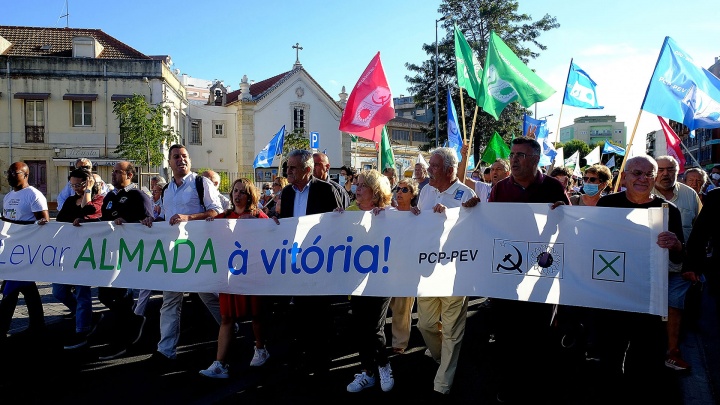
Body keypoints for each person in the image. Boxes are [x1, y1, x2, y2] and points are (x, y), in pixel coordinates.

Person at [484, 137, 570, 403]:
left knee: (538, 331)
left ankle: (537, 384)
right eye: (512, 154)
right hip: (508, 271)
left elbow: (570, 224)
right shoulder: (499, 189)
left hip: (542, 271)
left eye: (520, 155)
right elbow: (489, 223)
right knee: (507, 333)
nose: (514, 159)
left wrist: (565, 213)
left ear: (535, 159)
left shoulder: (554, 187)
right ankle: (509, 383)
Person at [595, 156, 684, 376]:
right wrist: (560, 213)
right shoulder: (607, 204)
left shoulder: (668, 210)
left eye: (649, 174)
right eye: (637, 173)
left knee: (645, 360)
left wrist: (676, 245)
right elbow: (589, 241)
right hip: (612, 295)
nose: (643, 179)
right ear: (624, 177)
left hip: (650, 297)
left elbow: (680, 258)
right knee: (610, 356)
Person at [141, 144, 223, 365]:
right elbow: (168, 219)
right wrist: (152, 221)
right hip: (174, 254)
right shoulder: (167, 190)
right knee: (170, 301)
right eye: (176, 157)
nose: (181, 160)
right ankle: (165, 350)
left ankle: (230, 329)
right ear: (169, 162)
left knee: (208, 296)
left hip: (198, 252)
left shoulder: (200, 183)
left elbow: (217, 211)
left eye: (184, 156)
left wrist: (189, 218)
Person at [409, 147, 476, 396]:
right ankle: (441, 356)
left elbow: (473, 232)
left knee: (452, 330)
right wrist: (415, 214)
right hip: (428, 271)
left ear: (449, 170)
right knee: (425, 325)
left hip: (454, 273)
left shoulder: (466, 194)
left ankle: (443, 382)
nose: (429, 170)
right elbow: (420, 225)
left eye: (434, 166)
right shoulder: (426, 190)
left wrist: (450, 218)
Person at [276, 149, 347, 376]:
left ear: (307, 170)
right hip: (295, 261)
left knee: (319, 313)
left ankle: (321, 361)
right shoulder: (286, 193)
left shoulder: (326, 190)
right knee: (298, 313)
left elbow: (337, 226)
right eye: (288, 167)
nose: (288, 171)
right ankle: (300, 357)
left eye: (293, 168)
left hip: (319, 262)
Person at [76, 161, 154, 360]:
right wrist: (86, 223)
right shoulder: (110, 196)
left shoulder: (138, 196)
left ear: (129, 175)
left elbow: (149, 223)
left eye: (118, 172)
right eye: (113, 172)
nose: (113, 175)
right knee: (104, 295)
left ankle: (122, 340)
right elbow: (104, 221)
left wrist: (128, 224)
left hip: (129, 255)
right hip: (111, 254)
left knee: (120, 296)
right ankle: (134, 321)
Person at [200, 178, 272, 379]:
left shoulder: (259, 216)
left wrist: (266, 224)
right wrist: (207, 226)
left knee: (256, 315)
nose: (238, 195)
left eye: (242, 192)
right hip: (230, 275)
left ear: (250, 196)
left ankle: (260, 348)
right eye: (235, 191)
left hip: (253, 273)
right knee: (227, 317)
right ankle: (220, 363)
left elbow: (273, 236)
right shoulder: (225, 216)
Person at [338, 170, 395, 393]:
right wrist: (334, 220)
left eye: (363, 186)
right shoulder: (348, 212)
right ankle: (368, 372)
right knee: (361, 327)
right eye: (357, 184)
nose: (357, 188)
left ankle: (383, 365)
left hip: (382, 279)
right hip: (356, 280)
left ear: (376, 192)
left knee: (374, 327)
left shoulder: (389, 214)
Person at [652, 155, 701, 371]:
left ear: (677, 170)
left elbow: (701, 232)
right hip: (650, 267)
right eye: (660, 169)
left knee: (674, 303)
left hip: (680, 267)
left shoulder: (690, 195)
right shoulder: (642, 191)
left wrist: (694, 265)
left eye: (670, 169)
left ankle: (672, 351)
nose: (665, 174)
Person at [53, 168, 103, 349]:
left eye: (79, 184)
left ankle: (82, 330)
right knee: (58, 291)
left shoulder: (98, 200)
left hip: (85, 253)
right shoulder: (69, 200)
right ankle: (88, 316)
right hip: (68, 252)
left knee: (83, 292)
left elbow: (88, 210)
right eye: (72, 185)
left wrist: (88, 191)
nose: (75, 188)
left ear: (88, 182)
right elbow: (60, 221)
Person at [0, 162, 49, 341]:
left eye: (15, 172)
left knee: (10, 288)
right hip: (11, 249)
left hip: (26, 250)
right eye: (9, 172)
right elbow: (6, 220)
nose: (10, 175)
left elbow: (44, 222)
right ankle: (38, 325)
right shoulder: (8, 196)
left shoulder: (34, 195)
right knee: (28, 288)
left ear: (26, 175)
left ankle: (2, 326)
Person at [389, 178, 418, 354]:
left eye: (405, 190)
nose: (399, 192)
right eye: (398, 189)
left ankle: (399, 342)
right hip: (388, 265)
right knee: (390, 303)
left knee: (402, 306)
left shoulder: (419, 216)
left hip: (408, 267)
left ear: (413, 194)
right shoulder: (387, 213)